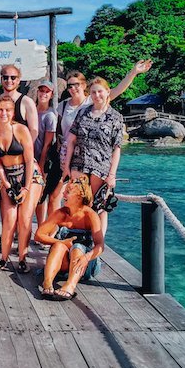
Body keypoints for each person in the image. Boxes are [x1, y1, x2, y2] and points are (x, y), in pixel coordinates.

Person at [50, 60, 152, 212]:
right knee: (60, 197)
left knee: (95, 203)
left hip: (96, 161)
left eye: (76, 84)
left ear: (84, 86)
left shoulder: (91, 101)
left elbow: (117, 90)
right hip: (70, 157)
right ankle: (58, 230)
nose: (73, 88)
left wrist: (133, 72)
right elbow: (60, 132)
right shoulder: (63, 105)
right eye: (70, 85)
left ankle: (93, 234)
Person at [61, 77, 123, 240]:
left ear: (107, 92)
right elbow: (71, 141)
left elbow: (116, 148)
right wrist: (67, 166)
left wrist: (112, 175)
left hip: (100, 167)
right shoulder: (83, 112)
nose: (97, 95)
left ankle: (98, 241)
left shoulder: (115, 117)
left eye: (100, 91)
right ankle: (79, 240)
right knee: (78, 205)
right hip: (78, 165)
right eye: (94, 92)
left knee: (98, 207)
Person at [0, 94, 34, 273]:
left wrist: (27, 187)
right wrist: (5, 183)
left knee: (24, 219)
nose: (3, 113)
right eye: (0, 110)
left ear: (13, 112)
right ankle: (4, 259)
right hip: (7, 177)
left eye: (7, 110)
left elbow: (29, 160)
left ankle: (22, 258)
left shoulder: (21, 130)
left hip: (29, 175)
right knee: (9, 220)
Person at [34, 176, 104, 300]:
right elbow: (39, 235)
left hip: (85, 265)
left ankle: (70, 286)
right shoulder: (61, 213)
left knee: (77, 247)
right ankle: (47, 283)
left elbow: (100, 246)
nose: (63, 195)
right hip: (64, 266)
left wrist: (86, 257)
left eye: (67, 192)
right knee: (59, 245)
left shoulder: (90, 215)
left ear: (79, 196)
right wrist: (61, 242)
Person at [33, 79, 59, 229]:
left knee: (42, 196)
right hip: (29, 159)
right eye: (41, 91)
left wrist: (41, 165)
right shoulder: (31, 110)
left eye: (46, 92)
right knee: (35, 196)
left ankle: (42, 228)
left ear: (51, 94)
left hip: (42, 160)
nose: (43, 94)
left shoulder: (50, 116)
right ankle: (38, 227)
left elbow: (47, 144)